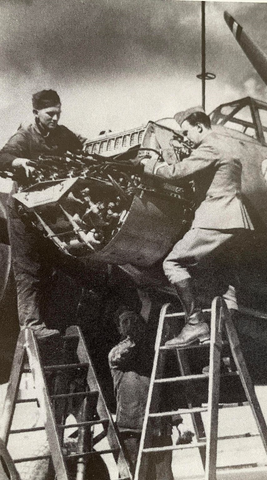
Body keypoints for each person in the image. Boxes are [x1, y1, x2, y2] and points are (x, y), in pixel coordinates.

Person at [141, 106, 254, 347]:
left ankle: (194, 324)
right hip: (236, 222)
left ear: (200, 127)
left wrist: (150, 165)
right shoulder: (226, 144)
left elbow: (176, 172)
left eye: (187, 132)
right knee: (225, 285)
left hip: (217, 218)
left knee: (172, 263)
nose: (186, 137)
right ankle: (224, 341)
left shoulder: (210, 146)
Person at [0, 89, 84, 341]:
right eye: (50, 114)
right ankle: (31, 325)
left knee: (67, 263)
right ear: (36, 113)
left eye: (58, 113)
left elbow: (83, 146)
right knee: (27, 269)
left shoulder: (63, 134)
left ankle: (58, 321)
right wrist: (18, 162)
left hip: (50, 211)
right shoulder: (24, 136)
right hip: (23, 213)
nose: (55, 118)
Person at [108, 309, 179, 479]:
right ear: (118, 329)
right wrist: (135, 335)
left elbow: (166, 389)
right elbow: (123, 353)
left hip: (158, 425)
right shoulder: (116, 354)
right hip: (131, 428)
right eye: (125, 322)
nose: (131, 325)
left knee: (164, 475)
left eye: (134, 321)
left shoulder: (153, 353)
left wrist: (177, 420)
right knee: (134, 474)